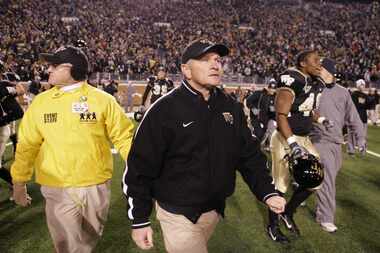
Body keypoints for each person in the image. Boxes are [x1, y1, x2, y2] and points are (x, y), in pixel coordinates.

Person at [123, 40, 286, 252]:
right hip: (178, 213)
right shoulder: (163, 110)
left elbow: (248, 155)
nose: (215, 65)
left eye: (218, 60)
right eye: (205, 60)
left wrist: (267, 192)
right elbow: (139, 167)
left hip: (214, 209)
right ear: (186, 70)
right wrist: (140, 219)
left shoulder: (231, 107)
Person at [10, 46, 135, 253]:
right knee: (66, 246)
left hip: (95, 185)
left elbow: (124, 139)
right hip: (57, 187)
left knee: (88, 242)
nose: (47, 69)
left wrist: (144, 170)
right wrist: (19, 183)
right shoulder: (41, 103)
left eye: (53, 65)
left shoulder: (104, 101)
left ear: (69, 68)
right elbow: (26, 146)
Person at [268, 50, 328, 243]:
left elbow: (306, 108)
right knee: (280, 185)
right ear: (303, 63)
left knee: (315, 180)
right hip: (286, 138)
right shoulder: (292, 79)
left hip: (304, 138)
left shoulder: (314, 82)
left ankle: (288, 212)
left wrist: (321, 119)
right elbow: (281, 115)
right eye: (316, 61)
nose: (320, 64)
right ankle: (273, 226)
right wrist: (293, 144)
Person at [310, 58, 365, 233]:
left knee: (322, 177)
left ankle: (302, 189)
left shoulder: (343, 92)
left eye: (321, 68)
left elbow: (353, 117)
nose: (318, 70)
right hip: (318, 139)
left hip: (336, 142)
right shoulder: (313, 88)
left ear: (329, 71)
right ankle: (326, 218)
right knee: (327, 179)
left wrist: (361, 138)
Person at [0, 68, 25, 193]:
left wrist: (7, 94)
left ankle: (16, 184)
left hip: (4, 125)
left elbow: (20, 89)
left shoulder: (3, 85)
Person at [347, 79, 369, 155]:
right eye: (361, 84)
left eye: (363, 84)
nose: (363, 86)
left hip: (363, 118)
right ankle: (351, 150)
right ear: (358, 85)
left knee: (363, 135)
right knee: (351, 134)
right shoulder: (354, 94)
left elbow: (368, 107)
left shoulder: (366, 96)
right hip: (354, 118)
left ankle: (362, 150)